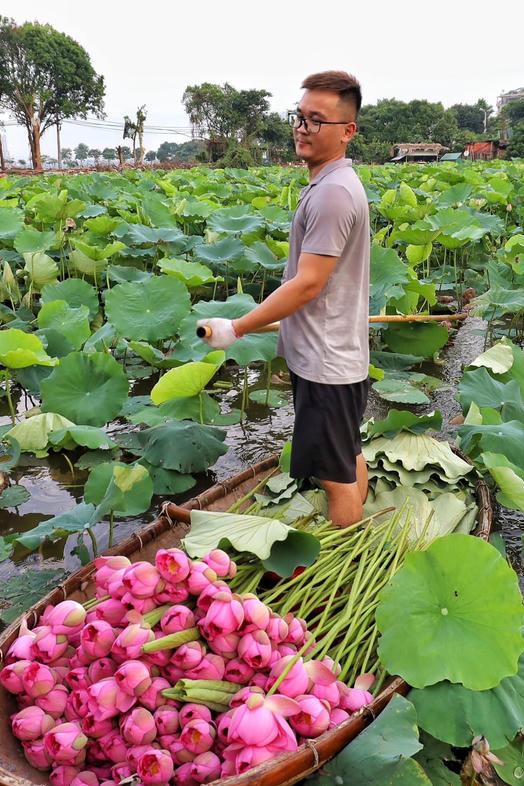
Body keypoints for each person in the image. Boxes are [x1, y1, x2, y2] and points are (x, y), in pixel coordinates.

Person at [198, 71, 371, 527]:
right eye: (299, 117)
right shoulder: (333, 183)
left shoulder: (333, 193)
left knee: (334, 477)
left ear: (347, 131)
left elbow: (308, 284)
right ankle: (360, 532)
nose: (301, 128)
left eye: (316, 121)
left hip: (325, 361)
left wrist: (236, 328)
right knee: (347, 454)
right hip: (340, 355)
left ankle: (346, 565)